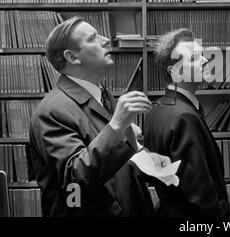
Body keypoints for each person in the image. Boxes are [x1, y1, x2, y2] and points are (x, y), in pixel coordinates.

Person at [29, 17, 170, 217]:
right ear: (72, 57)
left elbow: (118, 159)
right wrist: (116, 126)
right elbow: (74, 183)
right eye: (93, 38)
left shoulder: (103, 95)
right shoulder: (52, 110)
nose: (105, 40)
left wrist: (153, 163)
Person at [143, 28, 230, 217]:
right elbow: (200, 197)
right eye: (194, 58)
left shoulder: (155, 109)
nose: (206, 60)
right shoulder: (184, 117)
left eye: (202, 55)